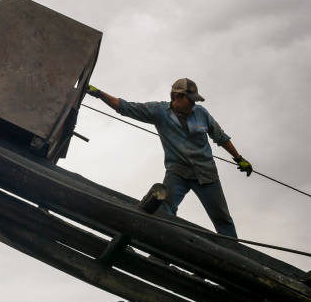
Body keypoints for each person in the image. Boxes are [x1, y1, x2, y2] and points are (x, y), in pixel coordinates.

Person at [86, 78, 252, 237]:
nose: (194, 104)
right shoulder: (159, 112)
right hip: (177, 173)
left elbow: (220, 137)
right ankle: (161, 255)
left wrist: (239, 158)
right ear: (177, 96)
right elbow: (125, 107)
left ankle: (236, 258)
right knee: (165, 213)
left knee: (222, 218)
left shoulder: (201, 113)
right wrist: (99, 93)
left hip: (206, 174)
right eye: (191, 99)